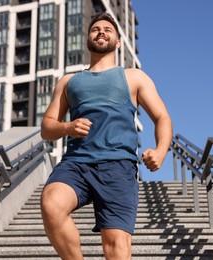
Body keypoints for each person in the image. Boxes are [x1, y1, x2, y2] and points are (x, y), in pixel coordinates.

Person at [40, 12, 173, 260]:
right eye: (96, 29)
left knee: (116, 249)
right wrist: (67, 128)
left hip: (118, 166)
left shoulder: (134, 77)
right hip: (76, 163)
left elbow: (162, 118)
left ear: (118, 42)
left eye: (108, 29)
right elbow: (47, 127)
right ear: (88, 38)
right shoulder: (69, 81)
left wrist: (160, 151)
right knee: (51, 204)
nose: (101, 32)